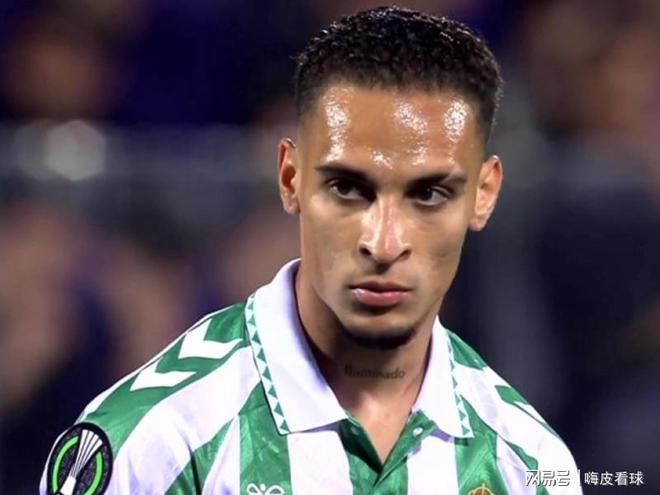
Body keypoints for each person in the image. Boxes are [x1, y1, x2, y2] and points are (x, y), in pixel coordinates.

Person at [41, 6, 581, 494]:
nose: (383, 243)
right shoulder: (157, 442)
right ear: (291, 178)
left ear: (484, 195)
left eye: (429, 194)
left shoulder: (530, 462)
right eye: (348, 188)